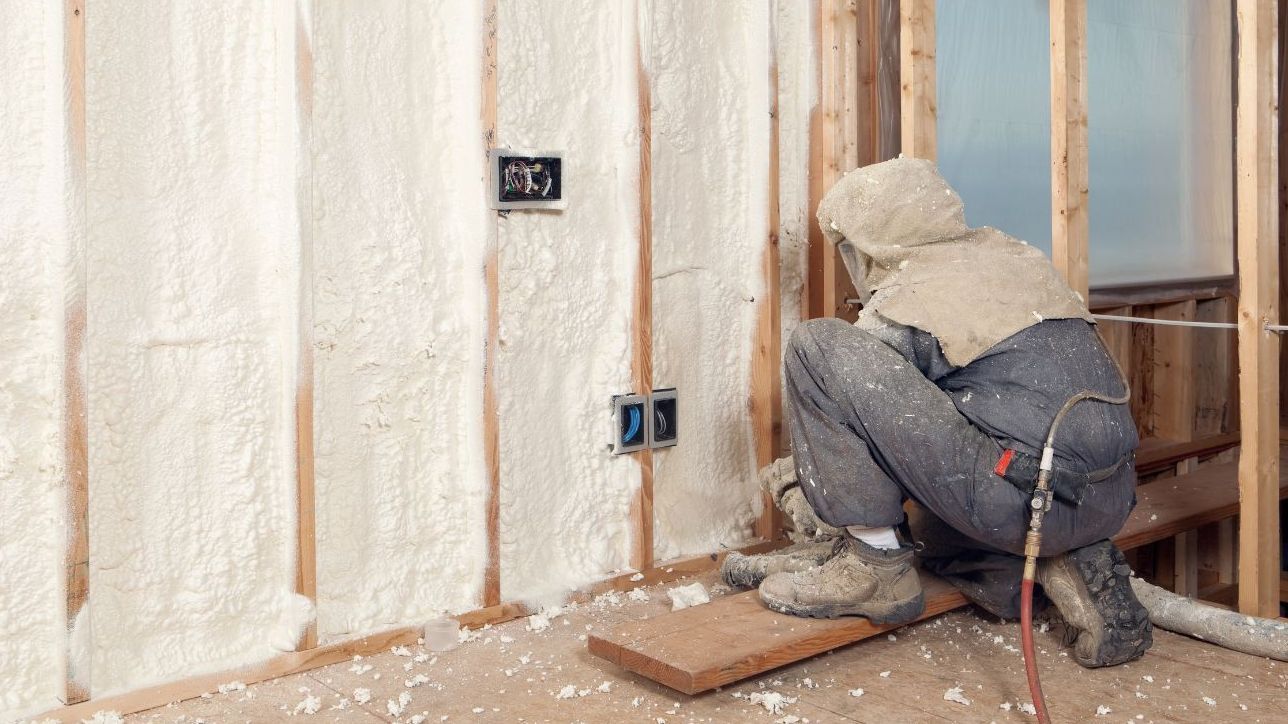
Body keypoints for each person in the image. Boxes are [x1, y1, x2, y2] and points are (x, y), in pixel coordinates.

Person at [722, 157, 1152, 668]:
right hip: (1106, 496)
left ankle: (874, 568)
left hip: (1022, 500)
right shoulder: (1015, 258)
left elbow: (850, 408)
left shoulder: (915, 296)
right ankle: (1054, 566)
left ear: (871, 241)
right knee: (927, 532)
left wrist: (808, 489)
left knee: (817, 347)